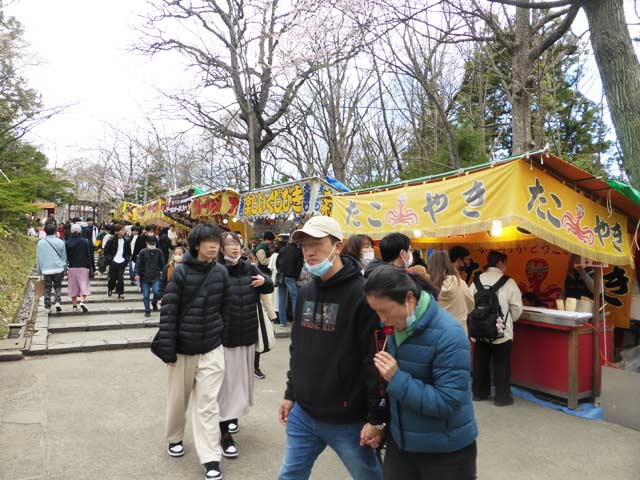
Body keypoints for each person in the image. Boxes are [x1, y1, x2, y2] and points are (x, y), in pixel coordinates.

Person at [278, 216, 387, 480]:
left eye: (317, 243)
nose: (309, 251)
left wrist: (376, 418)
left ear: (338, 246)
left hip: (347, 418)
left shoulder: (363, 295)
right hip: (303, 413)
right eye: (304, 245)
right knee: (290, 474)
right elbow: (298, 350)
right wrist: (291, 393)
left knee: (370, 476)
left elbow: (374, 360)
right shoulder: (305, 291)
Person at [365, 265, 478, 479]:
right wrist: (380, 424)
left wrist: (397, 378)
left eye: (385, 311)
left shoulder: (449, 335)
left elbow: (448, 401)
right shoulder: (395, 331)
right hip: (401, 445)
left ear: (409, 299)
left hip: (446, 453)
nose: (381, 319)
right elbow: (393, 396)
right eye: (376, 311)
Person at [156, 223, 230, 480]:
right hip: (183, 348)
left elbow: (226, 309)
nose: (214, 246)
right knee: (179, 399)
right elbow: (169, 312)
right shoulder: (181, 272)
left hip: (211, 347)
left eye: (217, 242)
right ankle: (175, 437)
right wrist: (168, 350)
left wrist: (223, 338)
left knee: (208, 404)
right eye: (209, 241)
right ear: (196, 244)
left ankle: (210, 457)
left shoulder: (221, 272)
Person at [217, 231, 273, 458]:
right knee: (223, 387)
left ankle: (231, 418)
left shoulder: (249, 267)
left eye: (237, 244)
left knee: (240, 384)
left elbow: (268, 285)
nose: (234, 248)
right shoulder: (217, 270)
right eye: (229, 244)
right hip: (224, 339)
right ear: (221, 249)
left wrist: (264, 281)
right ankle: (224, 434)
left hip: (247, 336)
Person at [470, 250, 523, 407]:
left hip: (479, 330)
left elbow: (468, 303)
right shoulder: (508, 282)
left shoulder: (476, 281)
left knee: (480, 362)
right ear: (500, 263)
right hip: (502, 332)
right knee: (502, 364)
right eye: (505, 263)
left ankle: (479, 394)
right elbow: (517, 308)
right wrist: (507, 322)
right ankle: (502, 398)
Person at [427, 250, 474, 332]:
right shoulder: (460, 283)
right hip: (458, 333)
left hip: (436, 333)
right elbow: (471, 306)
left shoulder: (428, 286)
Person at [36, 223, 67, 314]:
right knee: (57, 286)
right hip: (58, 268)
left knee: (47, 288)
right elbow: (64, 257)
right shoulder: (60, 242)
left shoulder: (40, 243)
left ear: (45, 231)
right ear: (55, 231)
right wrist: (64, 268)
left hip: (46, 269)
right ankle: (57, 302)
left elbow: (38, 258)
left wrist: (39, 271)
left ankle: (47, 306)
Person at [276, 236, 304, 327]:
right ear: (298, 242)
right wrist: (296, 277)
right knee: (294, 298)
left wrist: (280, 271)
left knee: (281, 298)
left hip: (281, 275)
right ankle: (295, 322)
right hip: (291, 276)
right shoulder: (299, 251)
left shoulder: (283, 249)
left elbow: (277, 262)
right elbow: (299, 266)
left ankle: (282, 322)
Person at [65, 223, 95, 312]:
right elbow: (91, 255)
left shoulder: (68, 243)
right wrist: (93, 267)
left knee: (73, 287)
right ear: (80, 231)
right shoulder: (86, 241)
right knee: (84, 285)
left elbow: (65, 256)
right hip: (84, 267)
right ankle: (82, 301)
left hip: (72, 267)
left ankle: (74, 306)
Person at [135, 235, 165, 318]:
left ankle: (154, 302)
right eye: (150, 244)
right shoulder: (142, 252)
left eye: (153, 244)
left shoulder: (159, 252)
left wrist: (164, 272)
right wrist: (137, 273)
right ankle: (147, 310)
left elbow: (162, 264)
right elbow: (138, 263)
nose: (152, 245)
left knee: (157, 292)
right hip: (144, 277)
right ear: (146, 243)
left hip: (156, 276)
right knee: (145, 295)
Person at [103, 224, 131, 300]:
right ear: (117, 231)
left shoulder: (126, 240)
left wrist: (126, 260)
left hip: (122, 261)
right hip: (113, 261)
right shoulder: (111, 240)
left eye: (124, 230)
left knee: (120, 278)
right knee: (113, 277)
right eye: (122, 230)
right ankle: (110, 288)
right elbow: (106, 251)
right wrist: (110, 260)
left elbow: (128, 252)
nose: (124, 231)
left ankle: (120, 292)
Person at [255, 231, 278, 322]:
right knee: (265, 296)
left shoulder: (265, 247)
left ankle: (269, 315)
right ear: (267, 239)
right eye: (270, 240)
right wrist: (273, 258)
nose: (271, 242)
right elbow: (262, 261)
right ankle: (269, 315)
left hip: (264, 273)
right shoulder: (261, 248)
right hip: (262, 273)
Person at [268, 240, 283, 323]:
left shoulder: (273, 256)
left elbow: (270, 267)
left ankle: (273, 315)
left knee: (273, 296)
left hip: (274, 277)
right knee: (279, 296)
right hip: (281, 277)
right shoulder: (283, 255)